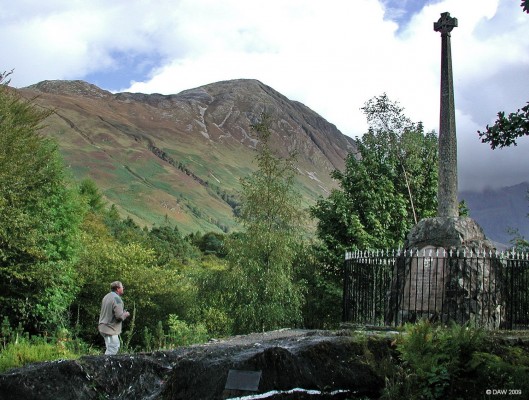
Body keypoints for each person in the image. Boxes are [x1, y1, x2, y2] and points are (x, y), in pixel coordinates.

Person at [98, 281, 130, 355]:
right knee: (113, 348)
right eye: (122, 287)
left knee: (110, 348)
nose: (123, 288)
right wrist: (125, 314)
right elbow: (119, 317)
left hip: (103, 326)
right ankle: (105, 365)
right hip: (110, 329)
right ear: (118, 289)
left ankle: (105, 364)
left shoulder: (106, 297)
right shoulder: (117, 299)